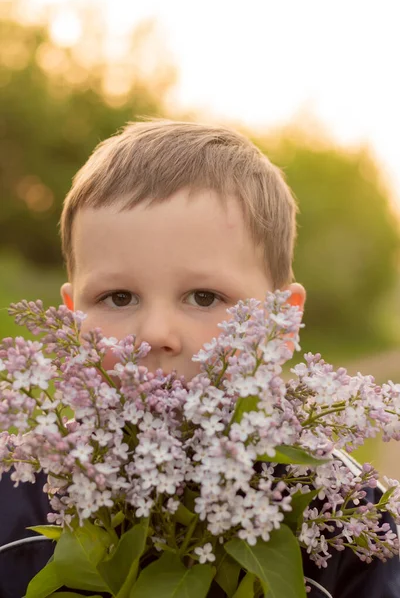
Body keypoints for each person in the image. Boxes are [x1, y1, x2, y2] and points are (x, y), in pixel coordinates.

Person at [1, 120, 399, 597]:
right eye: (119, 297)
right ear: (72, 321)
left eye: (205, 297)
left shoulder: (351, 520)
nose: (155, 335)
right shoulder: (18, 505)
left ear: (283, 324)